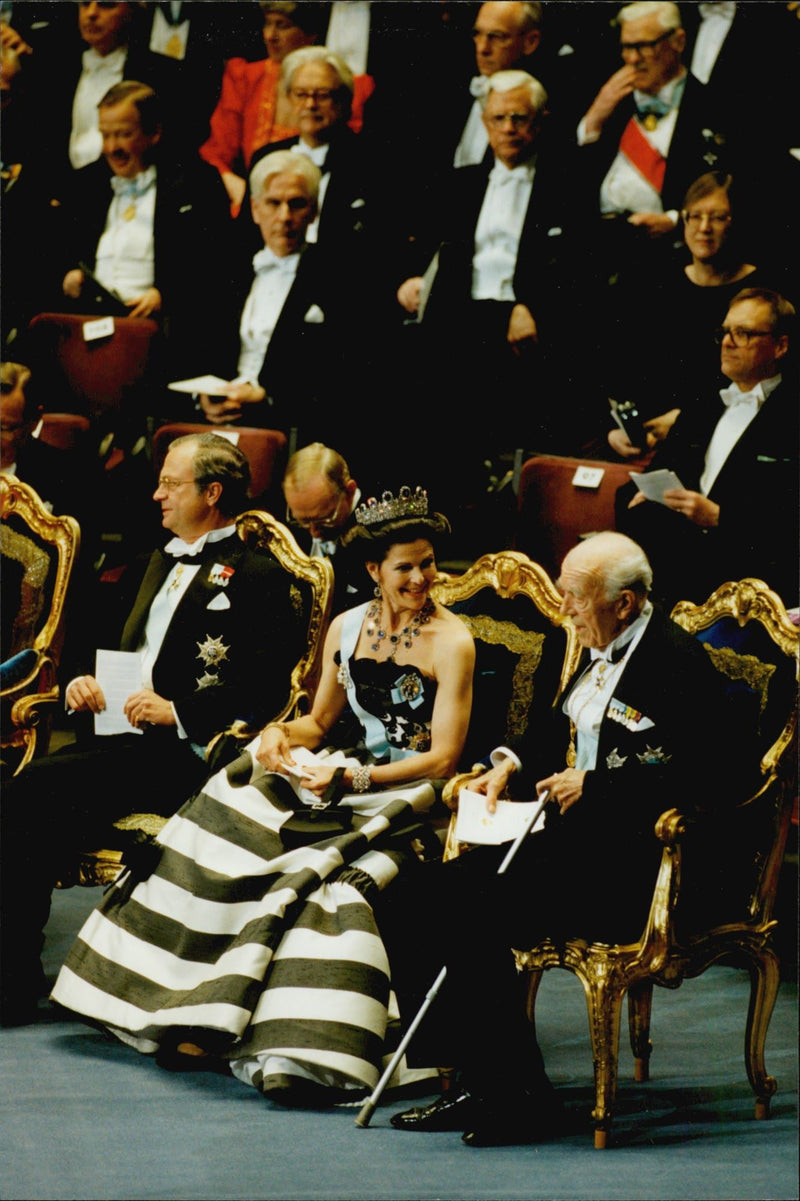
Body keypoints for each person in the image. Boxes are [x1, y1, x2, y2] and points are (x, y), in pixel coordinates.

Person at [50, 486, 476, 1107]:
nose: (421, 578)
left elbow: (443, 758)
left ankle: (290, 1041)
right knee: (224, 805)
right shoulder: (346, 627)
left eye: (428, 563)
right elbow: (320, 724)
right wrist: (279, 734)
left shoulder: (452, 640)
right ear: (373, 572)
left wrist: (353, 780)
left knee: (313, 881)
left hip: (408, 794)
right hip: (339, 772)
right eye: (405, 567)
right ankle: (187, 1008)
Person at [384, 530, 756, 1146]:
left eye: (575, 599)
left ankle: (521, 1100)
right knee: (411, 897)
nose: (564, 611)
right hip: (573, 845)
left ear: (626, 603)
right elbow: (557, 726)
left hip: (633, 861)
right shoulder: (597, 642)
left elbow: (717, 770)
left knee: (471, 912)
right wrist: (508, 760)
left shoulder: (676, 662)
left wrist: (600, 784)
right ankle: (474, 1081)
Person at [0, 432, 305, 1027]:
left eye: (171, 483)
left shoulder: (258, 576)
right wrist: (81, 683)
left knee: (25, 794)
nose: (157, 494)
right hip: (117, 740)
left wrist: (181, 710)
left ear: (212, 493)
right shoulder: (152, 559)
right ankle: (14, 970)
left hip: (182, 755)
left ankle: (10, 980)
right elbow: (104, 649)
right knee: (29, 800)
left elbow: (269, 689)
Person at [395, 70, 584, 485]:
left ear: (540, 120)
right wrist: (410, 279)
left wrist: (527, 306)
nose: (509, 128)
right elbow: (428, 249)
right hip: (461, 318)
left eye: (520, 118)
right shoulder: (460, 184)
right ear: (485, 123)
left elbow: (576, 267)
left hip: (527, 323)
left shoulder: (568, 182)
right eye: (499, 118)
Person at [616, 287, 798, 609]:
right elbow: (656, 474)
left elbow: (788, 520)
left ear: (780, 346)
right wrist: (651, 494)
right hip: (680, 574)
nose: (728, 342)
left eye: (743, 333)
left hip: (752, 589)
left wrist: (718, 517)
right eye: (725, 332)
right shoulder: (702, 405)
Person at [178, 150, 363, 446]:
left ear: (314, 211)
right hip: (217, 422)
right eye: (273, 203)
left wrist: (267, 398)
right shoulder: (228, 272)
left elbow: (339, 374)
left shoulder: (338, 278)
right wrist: (203, 399)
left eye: (297, 204)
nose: (285, 217)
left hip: (291, 428)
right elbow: (198, 348)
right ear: (254, 209)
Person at [600, 171, 784, 456]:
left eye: (718, 217)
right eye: (694, 216)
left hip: (724, 438)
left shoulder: (766, 293)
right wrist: (616, 431)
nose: (704, 228)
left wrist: (686, 420)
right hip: (645, 441)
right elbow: (618, 369)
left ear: (736, 222)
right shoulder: (654, 282)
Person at [54, 80, 230, 352]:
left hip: (161, 331)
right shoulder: (85, 184)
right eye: (106, 135)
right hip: (90, 324)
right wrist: (70, 274)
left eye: (124, 134)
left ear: (154, 132)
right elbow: (58, 250)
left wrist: (166, 296)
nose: (112, 148)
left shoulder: (196, 182)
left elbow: (215, 263)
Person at [576, 0, 733, 285]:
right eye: (626, 47)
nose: (632, 59)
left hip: (670, 258)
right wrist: (594, 119)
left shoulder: (713, 107)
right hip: (600, 253)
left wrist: (675, 221)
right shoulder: (610, 100)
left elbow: (726, 190)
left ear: (678, 41)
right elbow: (570, 181)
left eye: (643, 46)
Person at [199, 1, 374, 217]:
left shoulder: (342, 84)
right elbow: (216, 153)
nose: (270, 36)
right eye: (267, 24)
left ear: (310, 34)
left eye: (282, 26)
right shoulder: (245, 77)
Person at [281, 441, 370, 614]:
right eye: (302, 521)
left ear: (350, 491)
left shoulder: (377, 533)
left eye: (326, 519)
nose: (314, 532)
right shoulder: (286, 524)